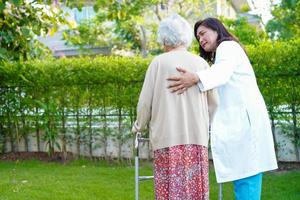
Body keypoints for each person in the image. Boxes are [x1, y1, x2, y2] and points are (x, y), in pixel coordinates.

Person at [167, 17, 278, 200]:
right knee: (243, 178)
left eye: (203, 34)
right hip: (242, 126)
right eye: (198, 38)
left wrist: (195, 77)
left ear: (217, 29)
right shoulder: (224, 53)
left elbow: (222, 72)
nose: (201, 40)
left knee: (246, 178)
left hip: (245, 127)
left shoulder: (227, 47)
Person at [132, 14, 218, 200]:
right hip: (196, 139)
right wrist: (208, 125)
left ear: (164, 38)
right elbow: (215, 103)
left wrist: (138, 125)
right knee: (196, 192)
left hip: (167, 140)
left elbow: (145, 102)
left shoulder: (158, 63)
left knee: (169, 192)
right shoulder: (201, 63)